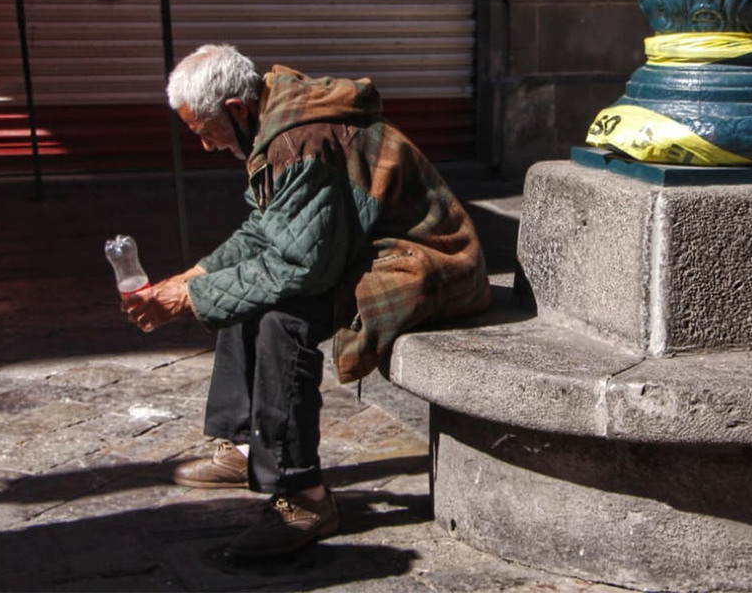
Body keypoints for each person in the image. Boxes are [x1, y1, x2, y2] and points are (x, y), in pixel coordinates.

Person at [123, 44, 490, 560]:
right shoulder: (273, 121)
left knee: (282, 317)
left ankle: (302, 496)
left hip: (424, 261)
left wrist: (189, 297)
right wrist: (197, 275)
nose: (205, 147)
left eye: (203, 132)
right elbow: (266, 230)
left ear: (235, 109)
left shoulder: (297, 139)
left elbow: (301, 267)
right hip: (355, 245)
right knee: (241, 291)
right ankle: (247, 445)